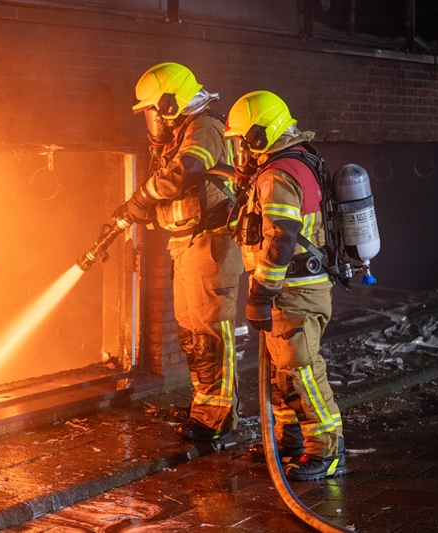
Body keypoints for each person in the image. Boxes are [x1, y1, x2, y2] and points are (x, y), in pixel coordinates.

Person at [114, 62, 243, 442]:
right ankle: (205, 405)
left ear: (171, 103)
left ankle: (216, 418)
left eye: (154, 108)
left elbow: (186, 171)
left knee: (211, 334)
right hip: (188, 245)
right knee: (192, 336)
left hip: (211, 245)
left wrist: (140, 199)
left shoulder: (204, 128)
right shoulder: (184, 133)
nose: (152, 117)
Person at [223, 90, 347, 481]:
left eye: (243, 140)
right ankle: (287, 442)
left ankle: (326, 452)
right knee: (284, 374)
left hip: (295, 291)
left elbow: (282, 237)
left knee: (303, 372)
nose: (241, 149)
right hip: (292, 290)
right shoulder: (295, 161)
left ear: (259, 136)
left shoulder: (278, 173)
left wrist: (260, 295)